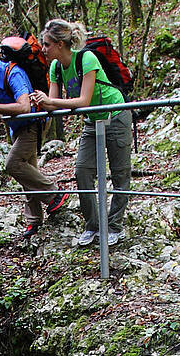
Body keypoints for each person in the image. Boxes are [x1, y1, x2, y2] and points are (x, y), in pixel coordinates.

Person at [30, 19, 130, 247]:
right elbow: (54, 104)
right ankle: (93, 225)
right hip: (92, 122)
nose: (43, 49)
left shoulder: (86, 59)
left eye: (46, 44)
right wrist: (37, 101)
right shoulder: (55, 67)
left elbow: (83, 100)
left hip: (115, 114)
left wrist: (51, 101)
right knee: (82, 170)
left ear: (60, 44)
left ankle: (114, 226)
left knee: (119, 173)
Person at [0, 43, 68, 238]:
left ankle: (54, 193)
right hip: (15, 127)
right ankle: (34, 221)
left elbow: (24, 106)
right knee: (27, 172)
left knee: (14, 164)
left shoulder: (13, 74)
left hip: (33, 122)